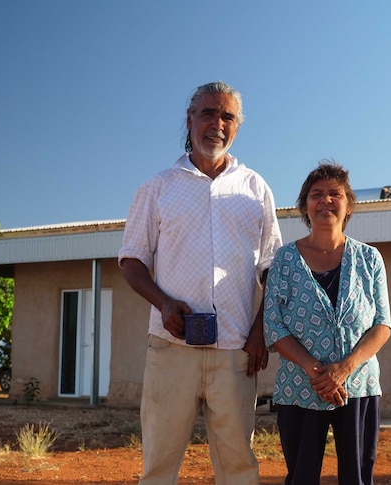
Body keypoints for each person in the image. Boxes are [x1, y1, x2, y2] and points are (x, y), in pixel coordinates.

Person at [118, 80, 282, 485]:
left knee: (238, 465)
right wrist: (165, 303)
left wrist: (260, 330)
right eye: (208, 113)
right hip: (172, 346)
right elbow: (131, 260)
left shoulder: (255, 188)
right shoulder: (157, 188)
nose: (217, 124)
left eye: (227, 116)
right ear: (190, 120)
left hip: (237, 349)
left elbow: (271, 267)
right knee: (159, 461)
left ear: (237, 126)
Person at [263, 161, 391, 485]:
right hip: (300, 386)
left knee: (357, 477)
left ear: (348, 203)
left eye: (335, 194)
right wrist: (316, 370)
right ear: (305, 205)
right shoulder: (285, 259)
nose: (326, 201)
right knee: (302, 476)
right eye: (316, 194)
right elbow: (274, 326)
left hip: (358, 385)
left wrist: (343, 369)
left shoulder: (369, 258)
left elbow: (382, 323)